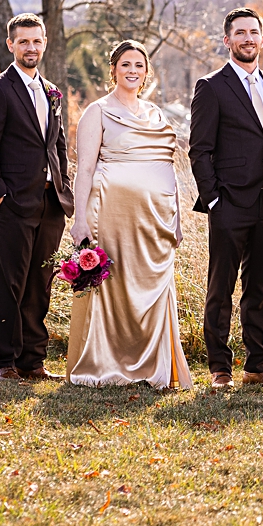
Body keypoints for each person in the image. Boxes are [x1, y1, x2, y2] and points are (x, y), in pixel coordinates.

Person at [65, 41, 193, 390]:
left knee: (150, 286)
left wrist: (177, 220)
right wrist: (79, 219)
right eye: (125, 64)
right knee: (114, 286)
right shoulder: (98, 111)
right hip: (110, 213)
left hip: (156, 218)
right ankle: (106, 361)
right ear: (114, 69)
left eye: (139, 65)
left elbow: (168, 168)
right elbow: (85, 169)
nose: (132, 70)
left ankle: (152, 363)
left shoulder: (156, 113)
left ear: (146, 71)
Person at [189, 7, 263, 389]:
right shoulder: (212, 86)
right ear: (227, 40)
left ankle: (258, 364)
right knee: (222, 286)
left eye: (254, 32)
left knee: (260, 286)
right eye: (240, 33)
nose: (248, 38)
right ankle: (219, 367)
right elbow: (199, 149)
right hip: (230, 202)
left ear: (262, 39)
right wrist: (214, 199)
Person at [0, 13, 75, 383]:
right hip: (13, 204)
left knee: (41, 284)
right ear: (10, 45)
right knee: (10, 283)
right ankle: (3, 362)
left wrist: (64, 188)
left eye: (37, 40)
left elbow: (58, 147)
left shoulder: (52, 92)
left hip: (50, 205)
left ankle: (33, 361)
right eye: (24, 41)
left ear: (44, 43)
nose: (31, 47)